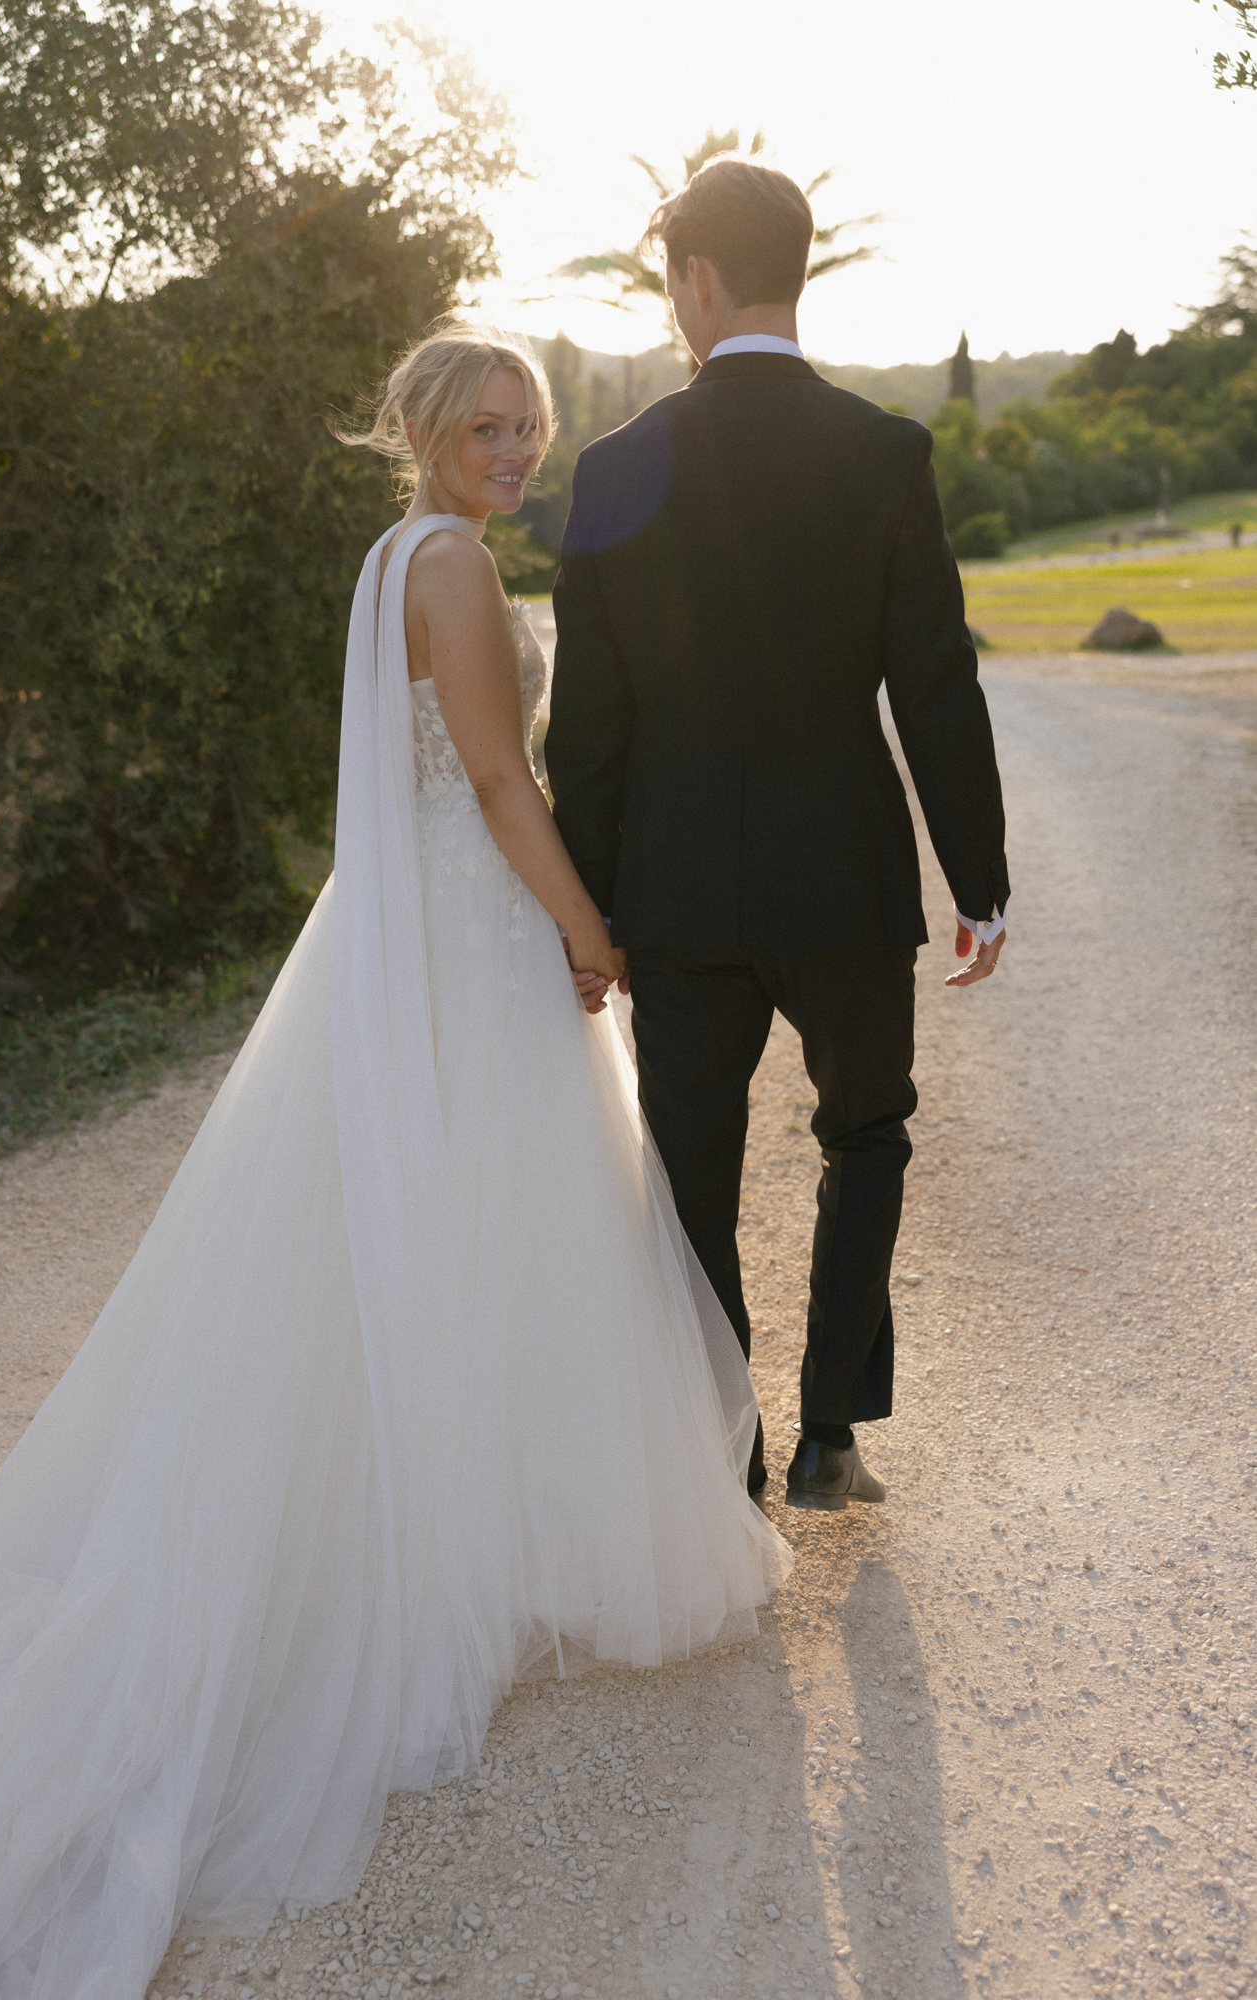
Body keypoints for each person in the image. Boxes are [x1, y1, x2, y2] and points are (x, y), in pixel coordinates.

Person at [0, 323, 789, 2000]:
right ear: (420, 431)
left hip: (416, 932)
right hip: (472, 936)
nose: (515, 447)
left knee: (458, 1237)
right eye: (486, 424)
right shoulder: (449, 565)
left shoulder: (396, 551)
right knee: (503, 1231)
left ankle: (473, 1534)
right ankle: (444, 1576)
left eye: (529, 424)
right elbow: (485, 771)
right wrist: (587, 925)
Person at [546, 156, 1010, 1514]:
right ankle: (826, 1438)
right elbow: (934, 679)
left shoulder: (617, 465)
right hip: (845, 875)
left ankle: (721, 1451)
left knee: (691, 1155)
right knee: (865, 1135)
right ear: (792, 269)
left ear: (695, 279)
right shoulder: (883, 453)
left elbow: (589, 727)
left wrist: (595, 912)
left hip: (674, 891)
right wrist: (975, 880)